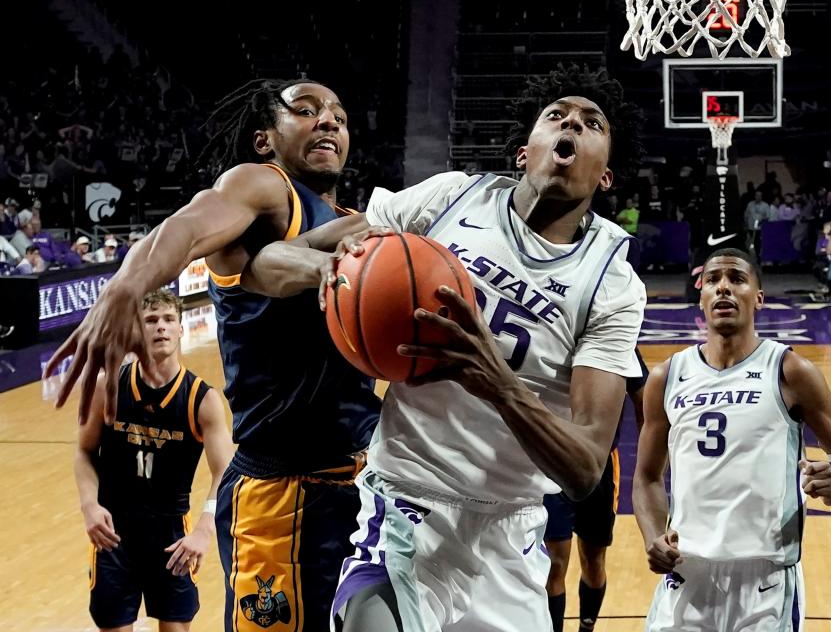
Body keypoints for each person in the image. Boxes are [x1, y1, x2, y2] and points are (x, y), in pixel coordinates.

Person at [241, 65, 647, 632]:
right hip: (406, 505)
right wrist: (328, 269)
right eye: (556, 116)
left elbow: (585, 468)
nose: (571, 126)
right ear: (524, 153)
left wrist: (501, 385)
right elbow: (261, 267)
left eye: (591, 124)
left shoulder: (612, 282)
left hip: (510, 537)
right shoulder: (451, 199)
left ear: (605, 175)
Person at [44, 78, 382, 630]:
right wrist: (125, 288)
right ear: (264, 140)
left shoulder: (351, 222)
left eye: (340, 116)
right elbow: (185, 226)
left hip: (361, 481)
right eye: (307, 110)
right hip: (284, 490)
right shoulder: (264, 186)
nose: (330, 121)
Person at [634, 248, 831, 631]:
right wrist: (652, 536)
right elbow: (646, 479)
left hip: (765, 583)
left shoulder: (789, 371)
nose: (723, 288)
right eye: (713, 280)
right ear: (701, 298)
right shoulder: (667, 377)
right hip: (686, 575)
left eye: (737, 279)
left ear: (758, 298)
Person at [74, 288, 234, 632]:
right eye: (150, 320)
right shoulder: (109, 386)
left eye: (168, 319)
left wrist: (205, 529)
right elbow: (84, 451)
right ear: (136, 331)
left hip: (171, 533)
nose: (160, 327)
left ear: (181, 329)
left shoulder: (201, 398)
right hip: (114, 533)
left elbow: (225, 472)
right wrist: (89, 504)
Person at [544, 348, 648, 632]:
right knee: (554, 563)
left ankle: (586, 629)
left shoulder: (618, 336)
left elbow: (644, 403)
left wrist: (649, 464)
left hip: (600, 464)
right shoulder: (554, 333)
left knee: (593, 560)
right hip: (553, 461)